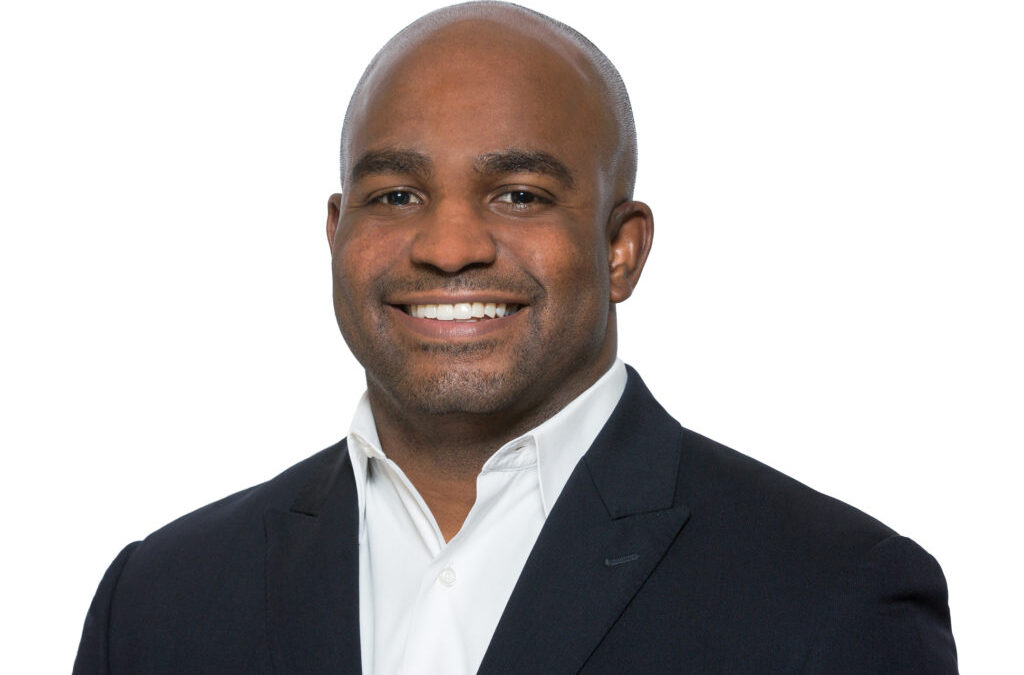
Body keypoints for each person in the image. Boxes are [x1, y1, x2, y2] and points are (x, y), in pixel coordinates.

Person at [73, 2, 958, 673]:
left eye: (520, 195)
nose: (449, 245)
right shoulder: (155, 605)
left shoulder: (833, 597)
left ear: (622, 248)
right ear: (337, 233)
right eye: (396, 195)